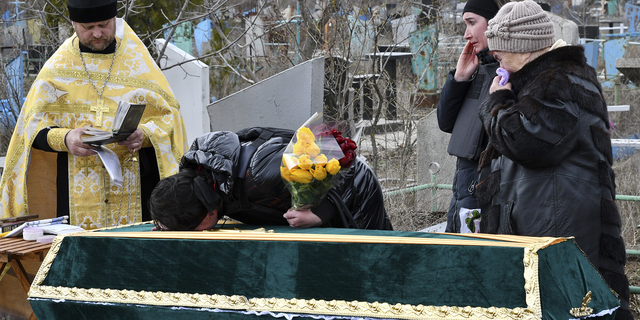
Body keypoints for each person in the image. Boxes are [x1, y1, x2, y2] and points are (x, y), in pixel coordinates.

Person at [476, 1, 632, 319]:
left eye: (501, 48)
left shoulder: (558, 82)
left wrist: (496, 101)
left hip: (559, 239)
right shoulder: (543, 81)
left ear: (523, 47)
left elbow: (524, 142)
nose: (495, 55)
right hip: (547, 233)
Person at [0, 0, 187, 229]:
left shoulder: (140, 65)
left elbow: (170, 118)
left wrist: (145, 134)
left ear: (115, 20)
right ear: (74, 24)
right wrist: (65, 139)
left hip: (136, 192)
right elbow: (29, 129)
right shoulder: (56, 69)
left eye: (104, 24)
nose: (97, 33)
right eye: (88, 28)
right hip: (72, 197)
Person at [149, 127, 393, 231]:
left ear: (208, 214)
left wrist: (321, 213)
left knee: (374, 271)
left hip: (357, 194)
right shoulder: (207, 174)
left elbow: (342, 156)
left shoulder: (262, 173)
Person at [436, 0, 501, 232]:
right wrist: (460, 78)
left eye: (472, 23)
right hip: (464, 189)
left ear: (495, 24)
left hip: (482, 191)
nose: (466, 35)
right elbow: (446, 122)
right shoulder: (480, 69)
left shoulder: (506, 75)